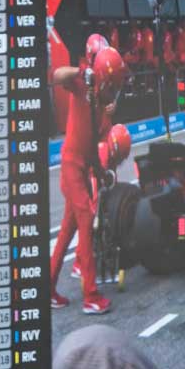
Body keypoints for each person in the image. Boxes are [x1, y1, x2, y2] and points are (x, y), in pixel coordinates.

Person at [49, 43, 125, 316]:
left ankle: (48, 287)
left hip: (81, 169)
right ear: (102, 79)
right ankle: (91, 296)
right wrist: (82, 72)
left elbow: (90, 145)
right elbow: (56, 75)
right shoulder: (82, 84)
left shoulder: (100, 105)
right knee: (86, 221)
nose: (113, 93)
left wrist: (101, 172)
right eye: (111, 86)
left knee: (66, 232)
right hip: (71, 168)